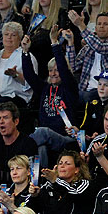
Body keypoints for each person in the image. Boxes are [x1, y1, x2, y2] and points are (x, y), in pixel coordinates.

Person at [22, 27, 79, 168]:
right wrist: (25, 52)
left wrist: (55, 43)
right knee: (40, 148)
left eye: (56, 70)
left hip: (66, 138)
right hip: (46, 139)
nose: (53, 73)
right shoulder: (45, 89)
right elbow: (29, 75)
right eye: (50, 70)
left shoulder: (69, 88)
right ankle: (40, 180)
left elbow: (64, 69)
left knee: (41, 131)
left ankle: (20, 151)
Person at [29, 151, 95, 214]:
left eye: (67, 163)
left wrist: (56, 180)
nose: (62, 166)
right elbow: (33, 209)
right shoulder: (49, 185)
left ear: (76, 170)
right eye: (60, 163)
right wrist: (35, 196)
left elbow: (74, 194)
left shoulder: (84, 184)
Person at [65, 10, 108, 101]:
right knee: (67, 96)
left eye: (105, 24)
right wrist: (70, 43)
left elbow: (100, 47)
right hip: (86, 90)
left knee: (89, 97)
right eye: (99, 24)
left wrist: (80, 25)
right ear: (95, 28)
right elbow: (73, 67)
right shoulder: (87, 48)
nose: (101, 26)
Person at [0, 102, 40, 186]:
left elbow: (28, 177)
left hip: (17, 189)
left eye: (5, 118)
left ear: (16, 121)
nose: (1, 122)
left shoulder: (28, 143)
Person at [0, 22, 36, 110]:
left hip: (12, 98)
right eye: (6, 34)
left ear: (20, 38)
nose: (9, 37)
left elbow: (32, 83)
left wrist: (15, 75)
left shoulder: (26, 56)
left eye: (13, 35)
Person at [26, 0, 68, 80]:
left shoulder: (61, 14)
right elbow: (28, 37)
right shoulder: (34, 16)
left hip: (51, 56)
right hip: (35, 56)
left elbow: (59, 39)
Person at [80, 71, 108, 140]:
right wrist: (80, 132)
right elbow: (85, 124)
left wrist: (98, 136)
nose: (101, 88)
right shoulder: (91, 101)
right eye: (99, 84)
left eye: (106, 85)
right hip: (90, 140)